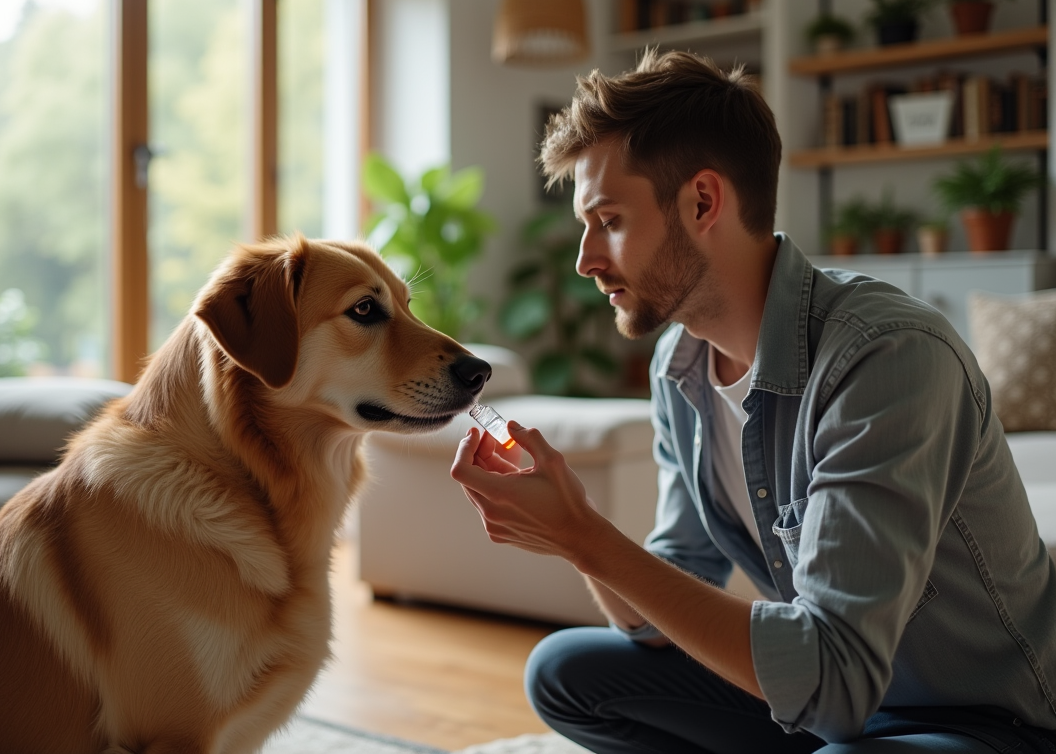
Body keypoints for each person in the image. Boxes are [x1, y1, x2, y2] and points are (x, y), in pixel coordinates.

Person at [449, 49, 1056, 754]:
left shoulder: (887, 357)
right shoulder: (681, 367)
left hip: (978, 719)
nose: (585, 258)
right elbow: (657, 612)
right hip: (832, 706)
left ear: (703, 201)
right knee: (564, 672)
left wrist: (588, 536)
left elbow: (833, 676)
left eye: (608, 219)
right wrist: (576, 539)